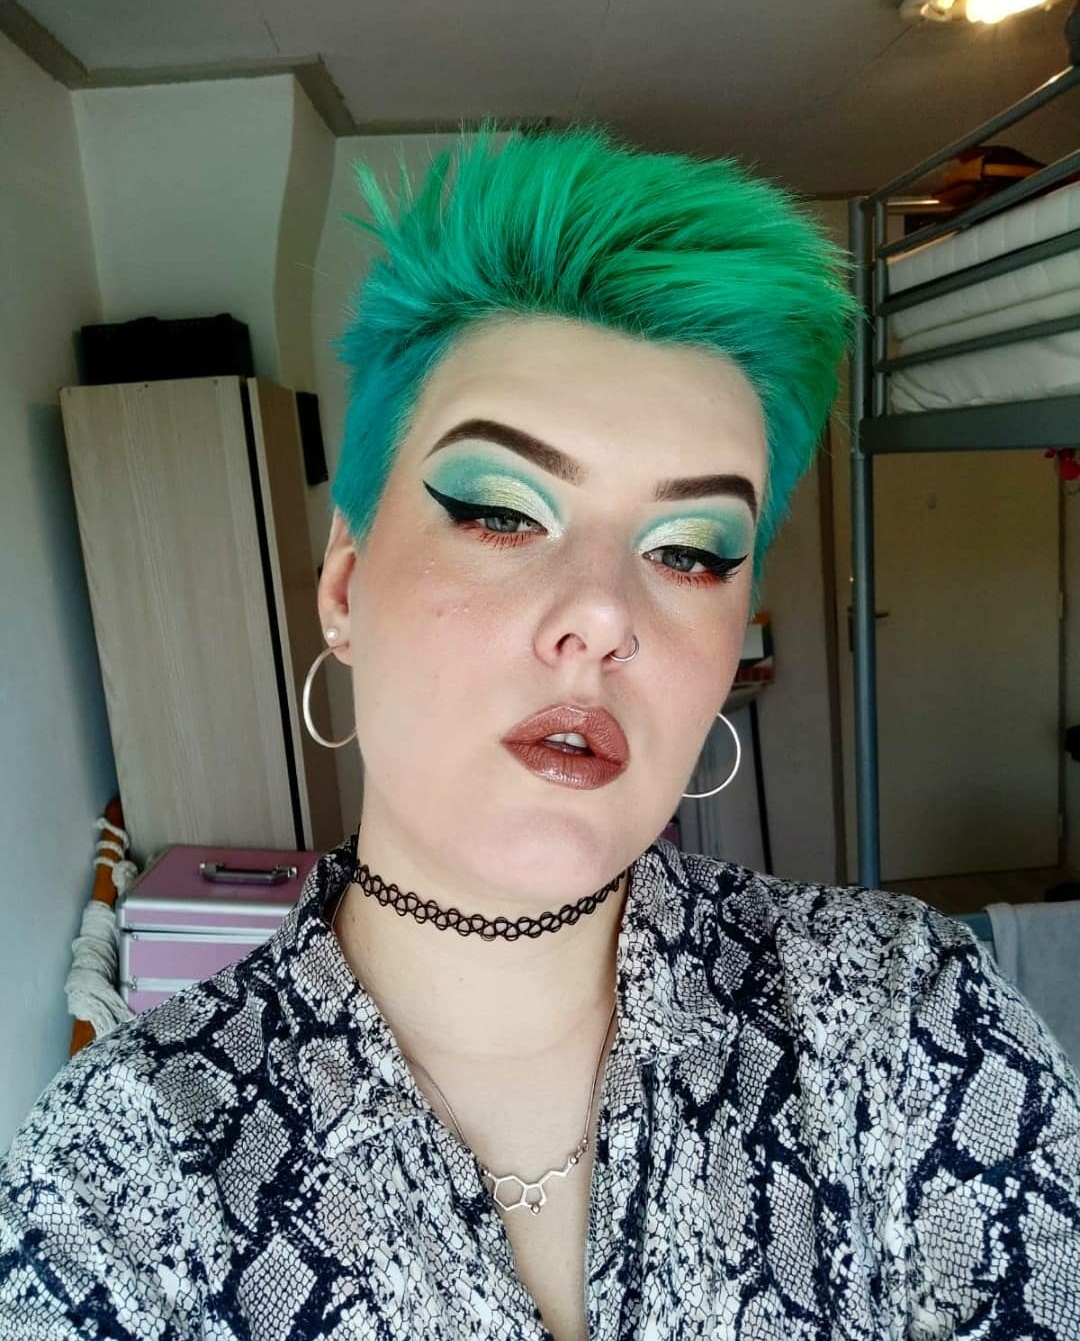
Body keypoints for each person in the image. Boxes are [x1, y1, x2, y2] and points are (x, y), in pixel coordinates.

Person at [2, 124, 1079, 1341]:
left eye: (692, 551)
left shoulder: (902, 1017)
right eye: (504, 513)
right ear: (346, 584)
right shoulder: (120, 1173)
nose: (605, 617)